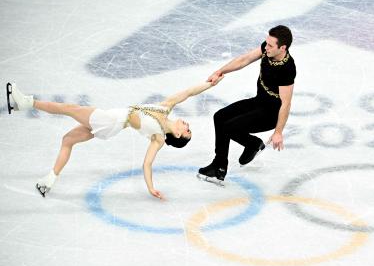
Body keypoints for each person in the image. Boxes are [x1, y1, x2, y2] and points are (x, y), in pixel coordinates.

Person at [6, 78, 223, 199]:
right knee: (67, 140)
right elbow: (188, 92)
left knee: (67, 108)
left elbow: (147, 164)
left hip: (109, 121)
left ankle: (26, 102)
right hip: (110, 123)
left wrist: (150, 188)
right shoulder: (165, 108)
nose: (187, 125)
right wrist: (211, 83)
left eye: (187, 131)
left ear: (177, 135)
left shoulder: (158, 137)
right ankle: (49, 181)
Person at [198, 25, 296, 183]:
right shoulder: (267, 48)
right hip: (259, 102)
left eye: (271, 45)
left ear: (282, 47)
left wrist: (278, 132)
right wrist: (220, 71)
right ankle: (252, 144)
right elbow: (245, 59)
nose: (266, 47)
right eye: (266, 43)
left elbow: (286, 103)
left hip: (270, 114)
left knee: (228, 127)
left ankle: (220, 168)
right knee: (220, 117)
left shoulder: (287, 69)